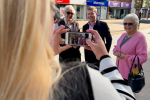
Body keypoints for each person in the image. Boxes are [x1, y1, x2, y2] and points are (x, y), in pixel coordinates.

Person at [0, 0, 135, 100]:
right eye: (53, 11)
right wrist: (105, 56)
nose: (55, 19)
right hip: (69, 61)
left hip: (77, 57)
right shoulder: (85, 81)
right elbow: (126, 96)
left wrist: (47, 54)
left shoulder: (79, 24)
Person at [113, 13, 148, 83]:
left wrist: (125, 56)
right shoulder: (123, 35)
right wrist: (115, 51)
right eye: (125, 24)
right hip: (119, 71)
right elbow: (117, 47)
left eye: (130, 24)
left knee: (127, 93)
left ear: (136, 24)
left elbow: (143, 58)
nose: (127, 26)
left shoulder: (140, 37)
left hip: (131, 74)